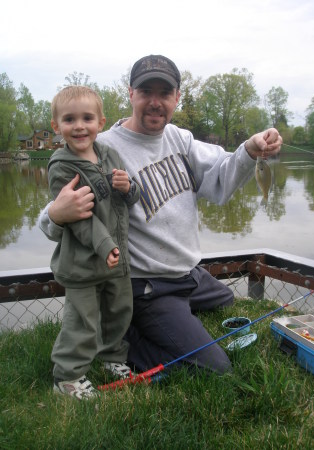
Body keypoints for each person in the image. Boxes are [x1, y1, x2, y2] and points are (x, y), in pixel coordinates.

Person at [40, 55, 282, 380]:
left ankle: (172, 315)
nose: (155, 102)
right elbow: (57, 210)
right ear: (131, 94)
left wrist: (250, 150)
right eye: (146, 91)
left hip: (187, 274)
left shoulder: (180, 139)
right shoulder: (102, 148)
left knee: (224, 299)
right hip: (147, 284)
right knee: (216, 368)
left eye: (164, 93)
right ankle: (120, 342)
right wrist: (56, 213)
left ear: (176, 98)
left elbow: (221, 176)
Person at [47, 86, 140, 400]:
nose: (79, 126)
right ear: (56, 126)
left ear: (101, 122)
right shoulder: (62, 168)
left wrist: (129, 188)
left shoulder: (109, 154)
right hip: (84, 264)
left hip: (118, 261)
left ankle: (112, 358)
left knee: (119, 313)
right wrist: (105, 246)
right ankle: (68, 376)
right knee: (83, 323)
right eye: (69, 119)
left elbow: (128, 198)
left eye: (87, 118)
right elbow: (78, 218)